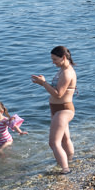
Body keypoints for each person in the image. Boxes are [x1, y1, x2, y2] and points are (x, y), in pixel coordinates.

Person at [31, 45, 77, 174]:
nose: (53, 62)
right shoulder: (62, 70)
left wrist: (43, 84)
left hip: (64, 110)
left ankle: (65, 169)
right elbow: (56, 89)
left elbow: (58, 94)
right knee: (65, 139)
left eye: (55, 59)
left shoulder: (67, 72)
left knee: (53, 143)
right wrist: (44, 82)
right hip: (57, 109)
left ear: (63, 57)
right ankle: (69, 160)